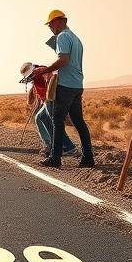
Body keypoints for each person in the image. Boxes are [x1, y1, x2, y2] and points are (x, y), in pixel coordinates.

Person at [35, 10, 95, 168]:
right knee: (79, 123)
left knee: (57, 121)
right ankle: (88, 158)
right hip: (77, 85)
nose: (50, 28)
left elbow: (64, 60)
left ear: (60, 21)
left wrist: (45, 70)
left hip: (65, 85)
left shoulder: (62, 36)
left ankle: (55, 159)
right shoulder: (76, 39)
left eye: (50, 24)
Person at [20, 62, 75, 157]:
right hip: (48, 101)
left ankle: (68, 147)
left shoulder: (41, 71)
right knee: (40, 118)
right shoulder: (36, 76)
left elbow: (53, 78)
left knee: (54, 123)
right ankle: (51, 144)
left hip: (52, 100)